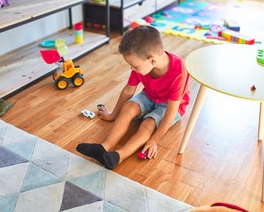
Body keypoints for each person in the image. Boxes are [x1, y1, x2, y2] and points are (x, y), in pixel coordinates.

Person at [76, 25, 190, 169]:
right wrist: (113, 115)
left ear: (152, 60)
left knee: (148, 124)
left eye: (134, 66)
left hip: (170, 106)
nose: (132, 69)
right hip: (150, 95)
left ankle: (120, 155)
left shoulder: (179, 71)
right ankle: (106, 147)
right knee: (128, 107)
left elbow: (170, 112)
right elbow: (129, 90)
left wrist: (154, 140)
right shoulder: (141, 63)